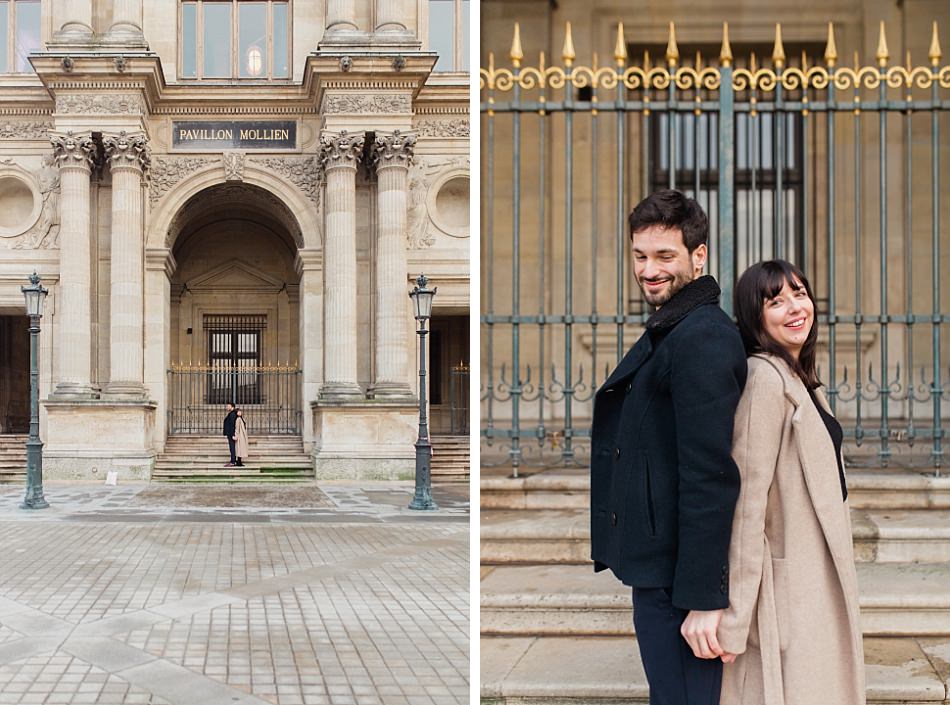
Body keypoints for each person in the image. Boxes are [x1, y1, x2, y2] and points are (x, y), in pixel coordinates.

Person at [590, 189, 748, 705]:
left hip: (679, 584)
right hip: (662, 572)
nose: (649, 269)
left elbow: (710, 474)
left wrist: (704, 599)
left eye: (664, 256)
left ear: (697, 256)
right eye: (640, 255)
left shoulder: (701, 335)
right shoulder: (675, 328)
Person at [717, 260, 865, 705]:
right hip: (789, 596)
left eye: (799, 294)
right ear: (755, 318)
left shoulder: (804, 381)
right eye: (775, 301)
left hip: (816, 583)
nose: (794, 307)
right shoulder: (764, 380)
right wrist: (736, 617)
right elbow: (746, 506)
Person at [222, 402, 238, 467]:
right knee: (232, 447)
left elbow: (232, 425)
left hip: (231, 434)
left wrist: (233, 435)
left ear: (232, 407)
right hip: (231, 433)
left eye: (228, 406)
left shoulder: (232, 414)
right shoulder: (232, 414)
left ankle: (233, 461)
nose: (227, 407)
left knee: (232, 447)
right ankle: (233, 461)